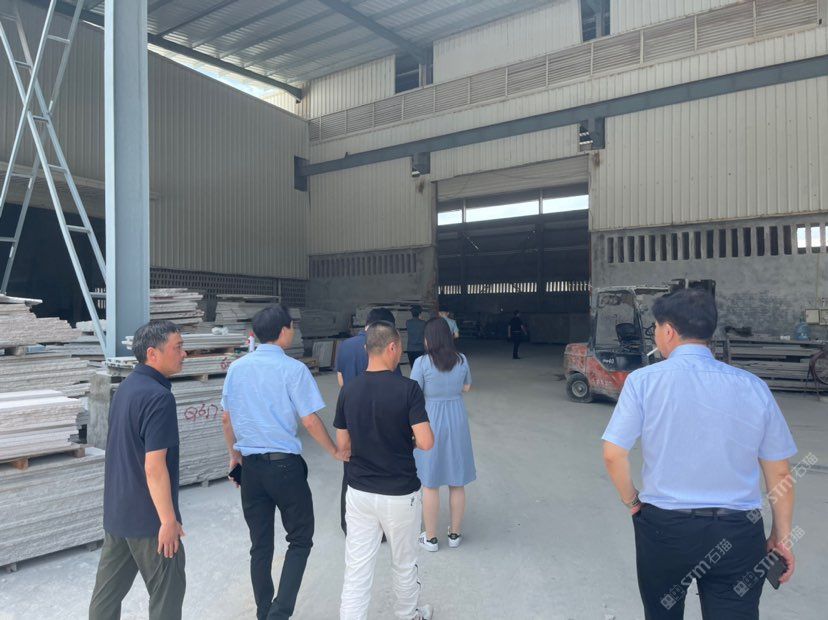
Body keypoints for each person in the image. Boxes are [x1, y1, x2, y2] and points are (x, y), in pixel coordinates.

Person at [602, 289, 797, 619]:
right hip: (738, 531)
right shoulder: (753, 386)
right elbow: (779, 472)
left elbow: (612, 454)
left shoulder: (643, 382)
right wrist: (782, 537)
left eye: (656, 328)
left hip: (666, 528)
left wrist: (633, 502)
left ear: (668, 331)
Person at [221, 305, 344, 620]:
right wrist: (334, 451)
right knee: (300, 539)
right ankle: (279, 613)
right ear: (284, 331)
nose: (293, 331)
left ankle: (264, 611)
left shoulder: (236, 369)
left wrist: (235, 457)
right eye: (292, 327)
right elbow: (310, 420)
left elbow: (226, 419)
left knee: (260, 545)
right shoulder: (294, 369)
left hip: (251, 468)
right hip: (285, 467)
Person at [334, 322, 435, 620]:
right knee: (404, 563)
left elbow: (343, 445)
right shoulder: (408, 389)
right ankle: (408, 615)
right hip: (399, 493)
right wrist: (405, 439)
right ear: (392, 347)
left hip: (359, 492)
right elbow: (426, 441)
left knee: (357, 567)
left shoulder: (349, 390)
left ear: (367, 349)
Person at [89, 321, 187, 620]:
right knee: (167, 594)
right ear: (152, 354)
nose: (184, 354)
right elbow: (154, 466)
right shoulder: (159, 397)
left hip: (118, 513)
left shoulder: (127, 388)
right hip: (149, 521)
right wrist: (168, 521)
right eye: (178, 347)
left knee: (106, 597)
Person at [334, 307, 400, 536]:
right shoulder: (387, 346)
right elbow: (394, 384)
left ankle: (350, 525)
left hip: (352, 414)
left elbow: (341, 380)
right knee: (382, 470)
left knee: (350, 468)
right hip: (382, 418)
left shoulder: (346, 346)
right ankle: (382, 527)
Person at [412, 318, 476, 552]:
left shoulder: (422, 363)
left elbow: (413, 392)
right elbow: (466, 387)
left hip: (430, 419)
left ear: (429, 339)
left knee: (430, 482)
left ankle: (430, 538)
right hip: (457, 418)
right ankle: (455, 534)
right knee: (457, 481)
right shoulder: (462, 360)